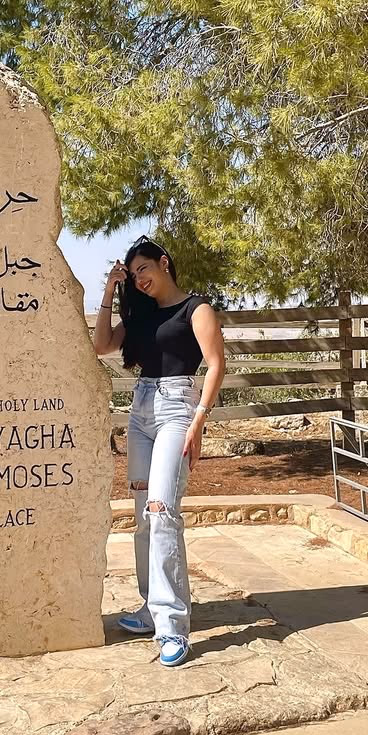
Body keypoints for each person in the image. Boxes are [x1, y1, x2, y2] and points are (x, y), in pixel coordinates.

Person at [93, 236, 226, 666]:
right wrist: (112, 291)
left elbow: (216, 364)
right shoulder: (141, 312)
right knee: (143, 516)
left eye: (143, 270)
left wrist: (199, 420)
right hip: (140, 411)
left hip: (176, 409)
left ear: (164, 263)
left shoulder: (196, 309)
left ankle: (172, 627)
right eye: (133, 275)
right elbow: (101, 345)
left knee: (162, 509)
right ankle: (151, 608)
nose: (140, 279)